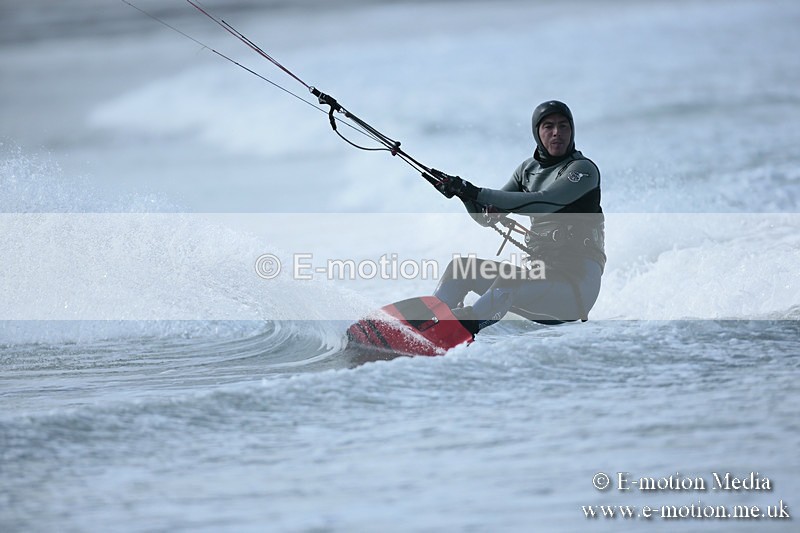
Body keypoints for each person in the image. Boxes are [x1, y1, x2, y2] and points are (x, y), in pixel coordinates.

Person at [433, 100, 606, 335]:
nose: (557, 133)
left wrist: (475, 191)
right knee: (461, 269)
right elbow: (487, 217)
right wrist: (462, 194)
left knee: (509, 280)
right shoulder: (527, 170)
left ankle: (459, 329)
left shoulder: (583, 170)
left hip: (574, 291)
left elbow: (544, 202)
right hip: (537, 280)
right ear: (537, 132)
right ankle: (425, 326)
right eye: (548, 126)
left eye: (564, 126)